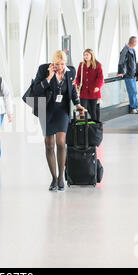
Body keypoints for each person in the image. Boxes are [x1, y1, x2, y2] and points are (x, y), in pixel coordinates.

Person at [33, 51, 84, 191]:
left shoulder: (70, 71)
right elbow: (37, 90)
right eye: (57, 64)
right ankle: (54, 178)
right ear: (52, 63)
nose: (59, 67)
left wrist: (78, 103)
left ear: (65, 63)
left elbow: (72, 90)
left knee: (61, 142)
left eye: (62, 64)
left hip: (62, 110)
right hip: (46, 110)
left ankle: (61, 176)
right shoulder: (44, 70)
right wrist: (49, 77)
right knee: (49, 144)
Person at [74, 49, 104, 121]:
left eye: (87, 55)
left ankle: (95, 125)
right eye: (84, 55)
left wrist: (97, 86)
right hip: (83, 91)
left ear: (91, 55)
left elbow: (100, 78)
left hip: (93, 92)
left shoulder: (97, 65)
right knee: (82, 110)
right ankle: (83, 125)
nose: (85, 56)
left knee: (93, 110)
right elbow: (78, 77)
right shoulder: (81, 65)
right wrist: (77, 84)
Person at [118, 36, 138, 114]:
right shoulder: (125, 49)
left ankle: (135, 107)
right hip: (127, 75)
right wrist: (121, 72)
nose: (136, 43)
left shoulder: (132, 50)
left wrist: (136, 72)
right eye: (136, 42)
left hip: (132, 74)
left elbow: (134, 63)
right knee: (131, 91)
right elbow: (121, 61)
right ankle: (132, 108)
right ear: (133, 42)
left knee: (134, 92)